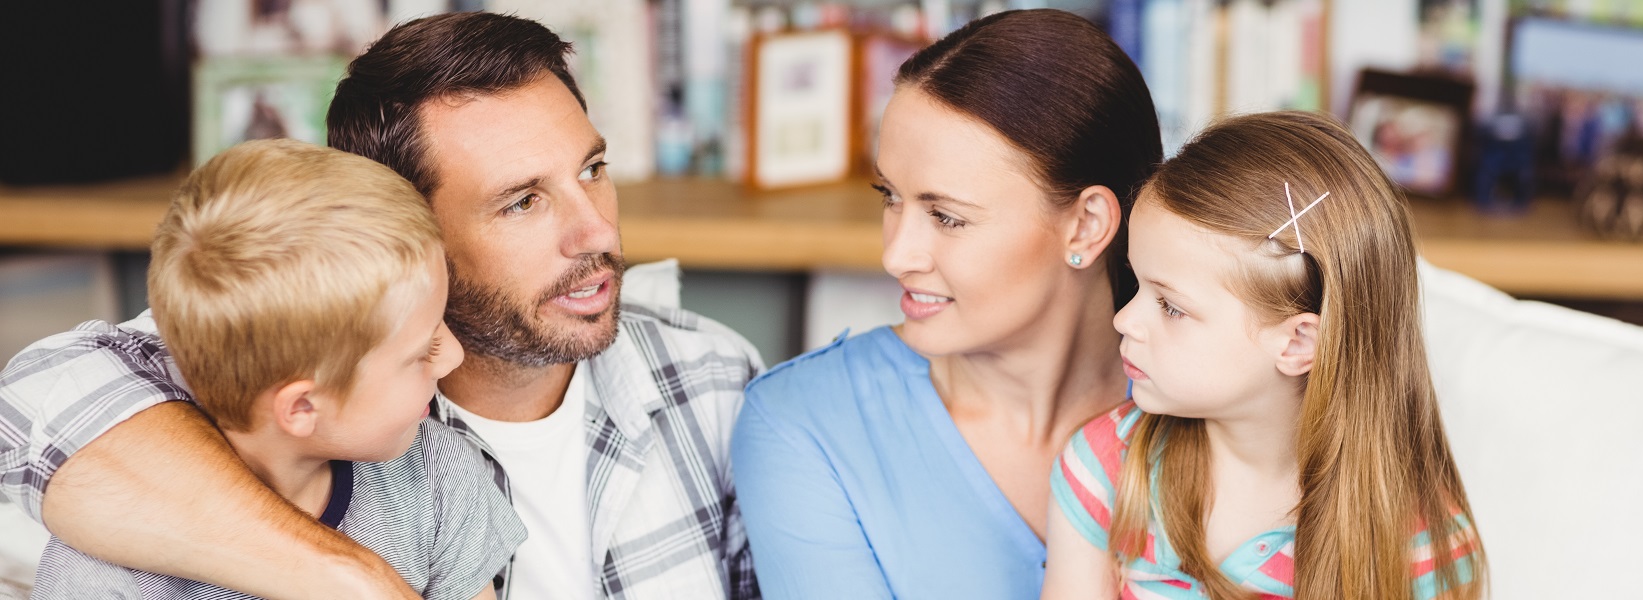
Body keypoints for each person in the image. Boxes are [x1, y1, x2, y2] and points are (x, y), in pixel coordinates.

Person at [0, 12, 759, 599]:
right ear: (403, 226)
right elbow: (37, 403)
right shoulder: (284, 351)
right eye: (522, 202)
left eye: (592, 168)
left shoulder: (716, 377)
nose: (596, 231)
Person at [731, 9, 1161, 599]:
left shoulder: (1227, 407)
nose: (897, 256)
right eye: (890, 197)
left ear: (1086, 226)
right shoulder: (803, 425)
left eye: (947, 217)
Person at [31, 139, 523, 599]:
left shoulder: (437, 478)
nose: (454, 355)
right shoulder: (103, 568)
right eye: (421, 351)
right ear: (302, 405)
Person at [1040, 112, 1485, 600]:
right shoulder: (1105, 469)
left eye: (1170, 306)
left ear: (1298, 344)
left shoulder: (1420, 549)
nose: (1124, 320)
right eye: (1136, 283)